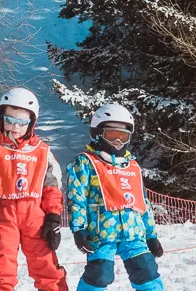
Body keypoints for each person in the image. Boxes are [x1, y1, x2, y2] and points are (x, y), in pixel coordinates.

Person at [0, 88, 67, 291]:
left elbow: (52, 187)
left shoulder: (42, 151)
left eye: (22, 122)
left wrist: (53, 217)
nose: (15, 127)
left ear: (31, 123)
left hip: (35, 217)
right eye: (10, 120)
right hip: (3, 216)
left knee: (47, 266)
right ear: (0, 118)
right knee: (1, 269)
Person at [67, 103, 164, 291]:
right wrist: (79, 229)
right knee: (100, 274)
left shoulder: (132, 166)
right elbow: (76, 197)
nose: (118, 142)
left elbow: (142, 203)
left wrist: (151, 235)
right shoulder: (86, 162)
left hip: (133, 234)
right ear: (97, 133)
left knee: (147, 272)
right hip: (101, 234)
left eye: (123, 136)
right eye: (112, 136)